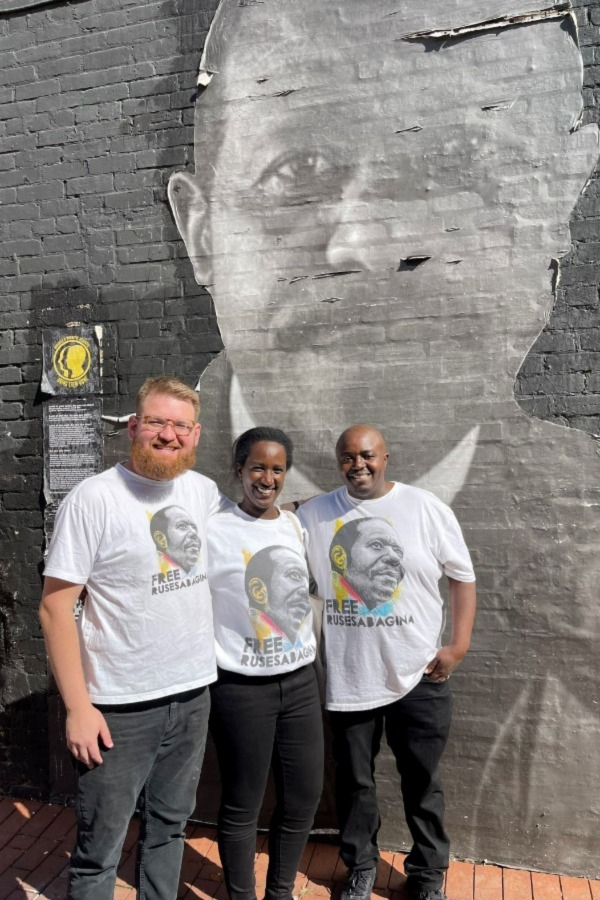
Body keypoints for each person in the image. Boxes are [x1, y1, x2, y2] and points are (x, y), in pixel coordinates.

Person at [168, 0, 600, 874]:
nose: (369, 244)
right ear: (199, 228)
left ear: (566, 197)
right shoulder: (159, 512)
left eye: (461, 160)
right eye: (300, 168)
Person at [39, 375, 221, 900]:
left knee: (169, 829)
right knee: (101, 849)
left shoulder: (202, 491)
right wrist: (78, 707)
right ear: (134, 427)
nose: (169, 435)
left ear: (196, 433)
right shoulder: (93, 499)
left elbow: (250, 537)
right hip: (119, 708)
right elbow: (55, 608)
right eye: (158, 422)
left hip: (191, 694)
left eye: (180, 426)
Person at [296, 425, 476, 900]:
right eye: (349, 457)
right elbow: (265, 528)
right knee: (354, 783)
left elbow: (462, 577)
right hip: (351, 678)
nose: (359, 465)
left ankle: (428, 872)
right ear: (339, 464)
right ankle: (360, 867)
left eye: (368, 455)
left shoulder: (425, 509)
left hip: (420, 674)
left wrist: (458, 645)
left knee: (423, 781)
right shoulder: (315, 516)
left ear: (386, 458)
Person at [207, 426, 323, 900]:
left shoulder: (294, 525)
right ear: (238, 469)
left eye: (277, 469)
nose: (267, 477)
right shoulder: (213, 528)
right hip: (240, 688)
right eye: (257, 466)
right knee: (242, 805)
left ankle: (280, 893)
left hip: (299, 682)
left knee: (303, 798)